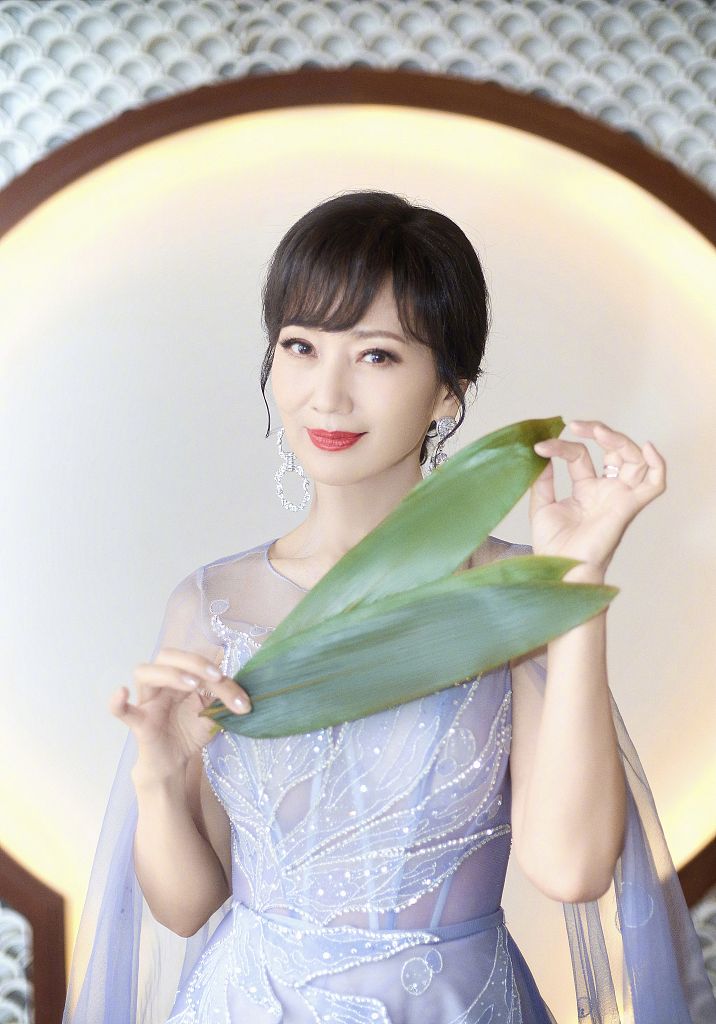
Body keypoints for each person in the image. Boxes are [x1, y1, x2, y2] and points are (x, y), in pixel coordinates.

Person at [62, 191, 716, 1024]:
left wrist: (575, 587)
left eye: (376, 355)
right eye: (301, 347)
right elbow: (187, 907)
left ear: (448, 391)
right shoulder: (213, 603)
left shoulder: (506, 594)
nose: (327, 395)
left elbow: (573, 867)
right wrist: (157, 774)